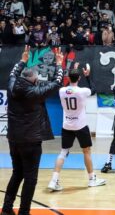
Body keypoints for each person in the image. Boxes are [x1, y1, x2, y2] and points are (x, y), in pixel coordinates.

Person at [2, 46, 63, 215]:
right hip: (30, 141)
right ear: (34, 81)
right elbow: (57, 82)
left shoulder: (12, 84)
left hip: (14, 138)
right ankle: (24, 212)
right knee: (30, 178)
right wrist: (59, 64)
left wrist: (22, 60)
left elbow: (13, 73)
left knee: (17, 174)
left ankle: (7, 209)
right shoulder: (35, 92)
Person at [48, 63, 106, 191]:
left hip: (67, 125)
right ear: (79, 78)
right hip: (80, 125)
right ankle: (92, 179)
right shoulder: (82, 91)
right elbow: (94, 89)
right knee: (86, 151)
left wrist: (71, 70)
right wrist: (88, 76)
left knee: (63, 152)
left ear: (68, 78)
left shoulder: (62, 91)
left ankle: (53, 180)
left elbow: (59, 84)